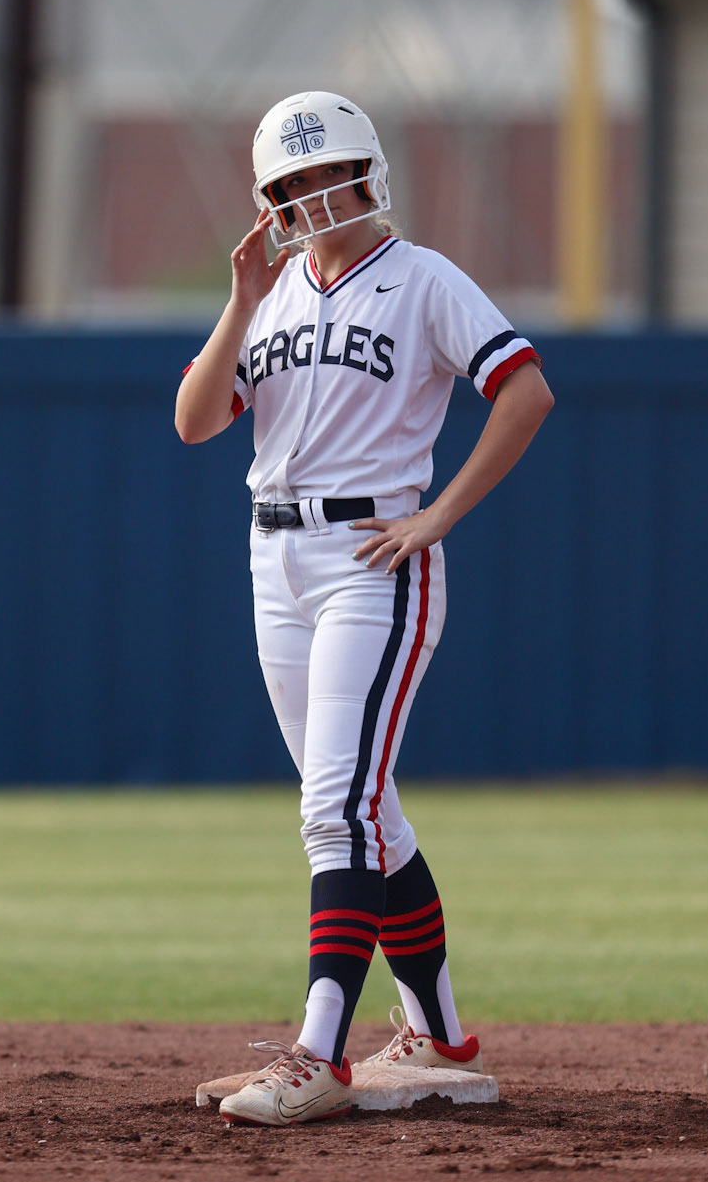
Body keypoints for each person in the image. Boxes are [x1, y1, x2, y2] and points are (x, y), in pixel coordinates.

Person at [175, 90, 554, 1127]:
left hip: (371, 554)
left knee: (332, 806)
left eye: (328, 172)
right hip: (274, 555)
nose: (313, 195)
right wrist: (240, 297)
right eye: (291, 184)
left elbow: (524, 389)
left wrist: (438, 514)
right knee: (364, 810)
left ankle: (317, 1050)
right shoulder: (275, 288)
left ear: (369, 172)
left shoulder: (425, 280)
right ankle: (439, 1034)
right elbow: (197, 419)